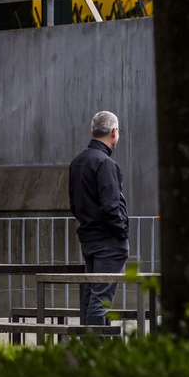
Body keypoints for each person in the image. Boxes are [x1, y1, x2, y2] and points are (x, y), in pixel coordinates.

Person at [68, 111, 129, 327]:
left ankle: (86, 350)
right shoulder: (106, 164)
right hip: (108, 241)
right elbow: (111, 206)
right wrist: (121, 231)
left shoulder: (77, 162)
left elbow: (74, 205)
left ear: (92, 131)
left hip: (89, 238)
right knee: (100, 300)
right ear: (114, 132)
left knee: (91, 296)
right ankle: (96, 351)